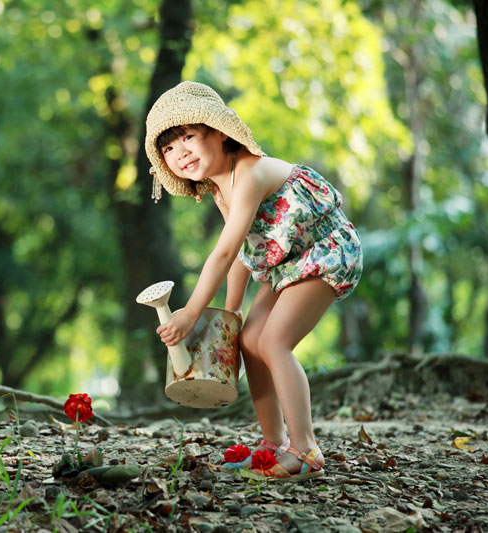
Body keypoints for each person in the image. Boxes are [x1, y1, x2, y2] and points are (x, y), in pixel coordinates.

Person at [145, 81, 363, 480]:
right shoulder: (218, 188)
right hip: (287, 266)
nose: (181, 153)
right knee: (248, 339)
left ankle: (306, 450)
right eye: (169, 149)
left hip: (323, 252)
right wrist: (231, 314)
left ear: (220, 132)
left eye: (189, 137)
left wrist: (192, 315)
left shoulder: (248, 172)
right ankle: (271, 442)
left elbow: (224, 252)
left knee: (274, 341)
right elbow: (244, 254)